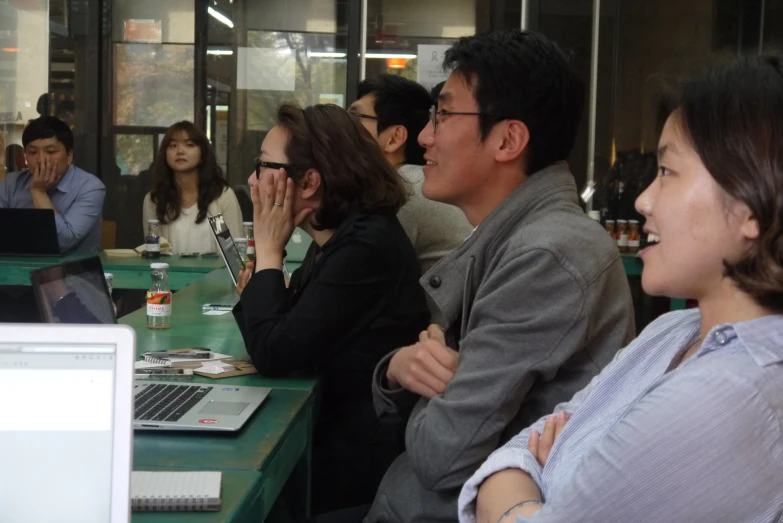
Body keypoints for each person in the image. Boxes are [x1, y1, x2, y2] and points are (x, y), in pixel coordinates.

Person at [459, 54, 783, 523]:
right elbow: (511, 456)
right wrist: (543, 488)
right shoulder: (673, 330)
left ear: (753, 201)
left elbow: (509, 475)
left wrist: (539, 486)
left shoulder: (731, 394)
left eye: (667, 173)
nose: (642, 200)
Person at [365, 30, 635, 523]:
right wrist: (400, 368)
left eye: (442, 115)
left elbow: (440, 456)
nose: (425, 135)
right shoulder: (509, 235)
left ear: (508, 139)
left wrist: (429, 387)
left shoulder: (548, 256)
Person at [232, 103, 430, 515]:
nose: (252, 180)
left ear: (308, 181)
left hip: (352, 471)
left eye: (263, 165)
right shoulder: (339, 236)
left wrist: (269, 251)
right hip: (336, 441)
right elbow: (281, 329)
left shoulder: (365, 245)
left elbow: (274, 351)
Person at [349, 75, 473, 276]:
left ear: (394, 138)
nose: (342, 126)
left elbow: (347, 276)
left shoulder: (405, 190)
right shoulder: (408, 181)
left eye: (355, 118)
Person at [0, 116, 105, 253]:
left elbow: (62, 242)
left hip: (72, 271)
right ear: (25, 157)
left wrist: (38, 192)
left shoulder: (90, 187)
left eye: (51, 152)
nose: (41, 159)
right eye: (32, 152)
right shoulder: (11, 183)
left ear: (69, 156)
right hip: (15, 269)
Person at [143, 121, 243, 253]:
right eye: (173, 145)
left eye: (189, 145)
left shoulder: (220, 197)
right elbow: (155, 255)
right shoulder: (155, 200)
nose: (180, 151)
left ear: (202, 154)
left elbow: (232, 253)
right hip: (172, 273)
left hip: (216, 273)